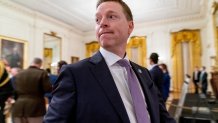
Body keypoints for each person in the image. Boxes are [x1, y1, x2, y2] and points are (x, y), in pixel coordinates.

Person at [44, 0, 175, 123]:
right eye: (97, 19)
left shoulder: (144, 73)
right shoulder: (74, 74)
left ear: (130, 26)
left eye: (111, 16)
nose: (102, 23)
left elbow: (163, 117)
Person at [12, 57, 52, 123]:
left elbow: (15, 91)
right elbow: (48, 89)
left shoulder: (19, 74)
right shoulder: (42, 73)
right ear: (40, 64)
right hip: (36, 108)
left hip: (18, 107)